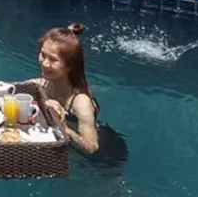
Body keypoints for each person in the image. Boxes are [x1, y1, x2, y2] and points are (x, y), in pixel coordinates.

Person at [32, 23, 128, 163]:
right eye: (42, 55)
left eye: (53, 59)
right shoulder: (42, 84)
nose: (44, 63)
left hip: (104, 157)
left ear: (69, 66)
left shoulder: (80, 102)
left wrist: (63, 127)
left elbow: (91, 147)